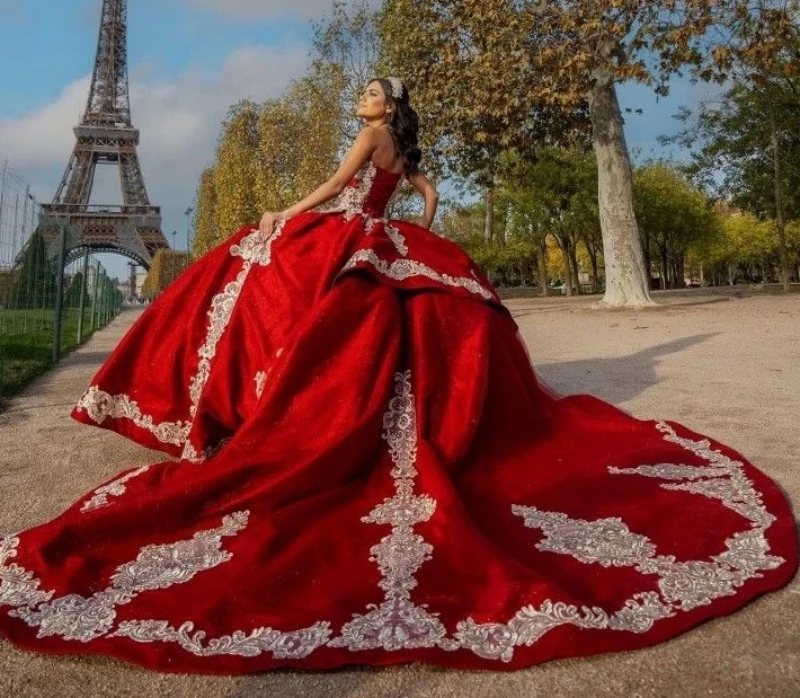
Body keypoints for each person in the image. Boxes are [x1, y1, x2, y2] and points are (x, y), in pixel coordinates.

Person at [0, 77, 795, 675]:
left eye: (371, 93)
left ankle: (226, 402)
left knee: (250, 260)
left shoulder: (367, 141)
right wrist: (425, 211)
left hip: (349, 233)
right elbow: (419, 189)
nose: (361, 97)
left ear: (385, 111)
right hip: (386, 239)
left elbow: (337, 188)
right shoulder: (404, 149)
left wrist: (282, 213)